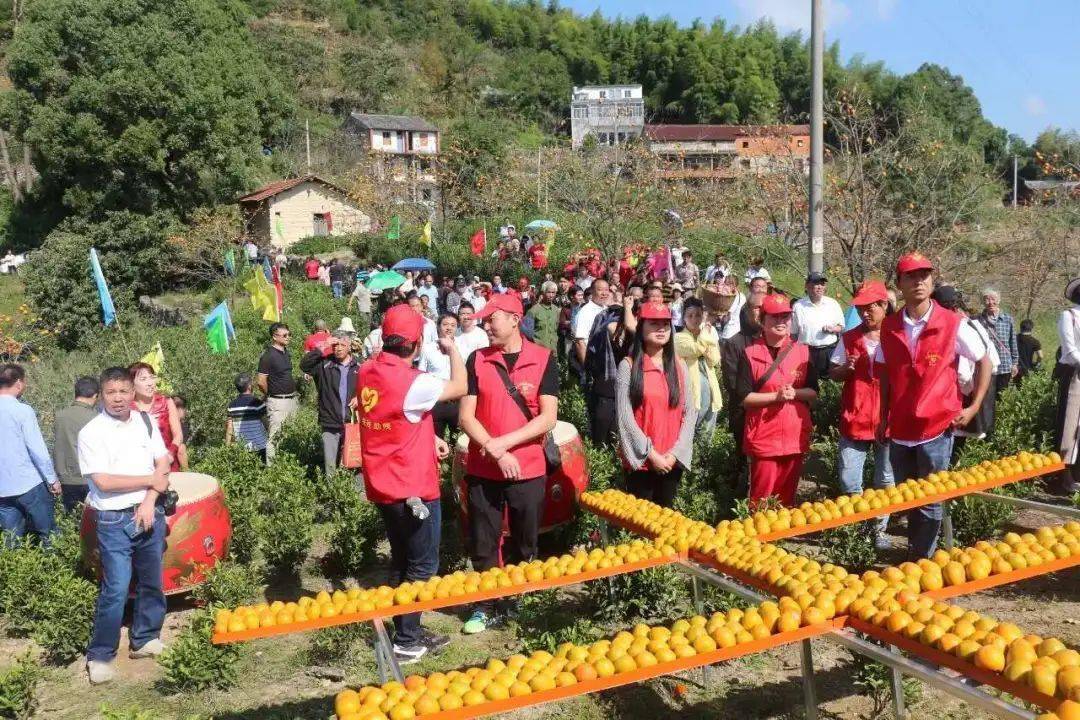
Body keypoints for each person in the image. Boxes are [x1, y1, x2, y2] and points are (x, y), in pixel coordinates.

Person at [357, 304, 466, 664]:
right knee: (422, 566)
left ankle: (407, 630)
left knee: (402, 559)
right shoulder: (413, 382)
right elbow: (461, 387)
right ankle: (406, 640)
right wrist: (454, 351)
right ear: (417, 343)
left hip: (383, 484)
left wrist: (429, 435)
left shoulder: (367, 371)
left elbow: (405, 416)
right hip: (413, 487)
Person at [874, 253, 991, 560]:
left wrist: (974, 406)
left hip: (937, 427)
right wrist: (882, 416)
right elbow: (885, 374)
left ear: (932, 280)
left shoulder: (953, 323)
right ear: (899, 284)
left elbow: (984, 361)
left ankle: (922, 561)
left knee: (929, 500)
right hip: (900, 426)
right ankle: (917, 554)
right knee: (908, 497)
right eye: (911, 276)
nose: (919, 281)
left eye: (924, 275)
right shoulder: (889, 326)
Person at [458, 293, 558, 634]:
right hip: (484, 467)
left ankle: (516, 597)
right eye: (484, 320)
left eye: (491, 319)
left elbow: (547, 419)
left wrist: (506, 443)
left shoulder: (544, 358)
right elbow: (466, 418)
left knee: (524, 538)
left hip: (528, 466)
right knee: (483, 538)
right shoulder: (477, 360)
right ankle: (485, 603)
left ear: (515, 319)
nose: (485, 325)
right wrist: (495, 449)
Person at [78, 366, 171, 684]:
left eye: (123, 391)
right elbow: (103, 481)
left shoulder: (146, 422)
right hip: (114, 521)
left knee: (151, 582)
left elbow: (163, 462)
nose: (118, 398)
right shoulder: (91, 433)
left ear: (133, 392)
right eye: (110, 392)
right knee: (116, 588)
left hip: (150, 513)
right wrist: (149, 481)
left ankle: (144, 638)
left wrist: (148, 502)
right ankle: (101, 655)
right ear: (101, 395)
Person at [828, 280, 894, 550]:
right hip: (855, 416)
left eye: (871, 308)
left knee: (886, 479)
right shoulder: (849, 337)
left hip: (887, 418)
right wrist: (846, 370)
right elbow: (833, 372)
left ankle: (879, 530)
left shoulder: (897, 336)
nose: (865, 313)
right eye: (862, 308)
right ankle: (860, 526)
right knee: (848, 477)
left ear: (884, 306)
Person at [737, 295, 817, 507]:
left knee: (786, 500)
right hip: (763, 436)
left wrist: (796, 394)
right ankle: (757, 539)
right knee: (761, 499)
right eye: (775, 317)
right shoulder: (750, 353)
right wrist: (776, 397)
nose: (781, 322)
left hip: (794, 436)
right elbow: (744, 398)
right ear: (763, 321)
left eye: (785, 317)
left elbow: (813, 392)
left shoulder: (803, 351)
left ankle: (779, 539)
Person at [616, 302, 697, 507]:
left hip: (671, 461)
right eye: (654, 324)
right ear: (640, 327)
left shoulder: (679, 366)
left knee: (666, 525)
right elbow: (625, 418)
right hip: (642, 463)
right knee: (641, 525)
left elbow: (689, 411)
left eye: (665, 324)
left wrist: (675, 454)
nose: (661, 329)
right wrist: (651, 455)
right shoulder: (628, 366)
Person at [0, 364, 59, 545]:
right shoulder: (23, 410)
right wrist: (52, 479)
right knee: (48, 534)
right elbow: (37, 450)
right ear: (18, 383)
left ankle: (14, 571)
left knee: (11, 539)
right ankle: (52, 569)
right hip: (29, 483)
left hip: (2, 488)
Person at [300, 332, 360, 475]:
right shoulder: (325, 364)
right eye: (335, 345)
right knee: (330, 464)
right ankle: (331, 492)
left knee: (353, 459)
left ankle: (351, 492)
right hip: (330, 421)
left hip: (351, 422)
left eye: (342, 345)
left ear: (350, 347)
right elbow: (304, 365)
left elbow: (371, 387)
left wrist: (359, 397)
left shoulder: (359, 366)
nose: (338, 348)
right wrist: (322, 347)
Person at [722, 294, 764, 489]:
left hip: (769, 413)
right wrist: (758, 399)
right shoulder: (734, 343)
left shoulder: (770, 341)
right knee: (745, 460)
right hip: (743, 412)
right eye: (757, 308)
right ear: (746, 311)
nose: (762, 312)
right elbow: (732, 383)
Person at [675, 297, 722, 440]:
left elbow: (714, 360)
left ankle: (705, 460)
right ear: (684, 318)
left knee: (707, 433)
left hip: (712, 388)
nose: (695, 319)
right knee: (690, 431)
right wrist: (706, 334)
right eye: (690, 315)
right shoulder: (679, 337)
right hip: (693, 393)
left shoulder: (706, 334)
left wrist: (707, 336)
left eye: (698, 315)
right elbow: (696, 349)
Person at [52, 376, 101, 512]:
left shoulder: (59, 415)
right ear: (95, 395)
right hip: (90, 479)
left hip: (66, 478)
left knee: (72, 519)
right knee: (91, 523)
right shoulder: (96, 418)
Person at [129, 362, 186, 472]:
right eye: (143, 379)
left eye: (151, 378)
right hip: (140, 468)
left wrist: (170, 453)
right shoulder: (128, 408)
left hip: (169, 463)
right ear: (131, 384)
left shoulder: (166, 402)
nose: (150, 383)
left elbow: (178, 434)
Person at [791, 271, 846, 378]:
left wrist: (833, 329)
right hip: (807, 352)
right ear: (807, 286)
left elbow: (841, 326)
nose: (820, 287)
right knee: (808, 380)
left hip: (830, 350)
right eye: (816, 283)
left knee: (830, 380)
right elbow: (793, 333)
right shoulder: (798, 306)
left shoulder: (833, 304)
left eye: (822, 284)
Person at [1054, 278, 1080, 496]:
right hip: (1075, 375)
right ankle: (1066, 475)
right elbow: (1069, 351)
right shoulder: (1068, 316)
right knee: (1070, 424)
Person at [257, 323, 298, 460]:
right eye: (285, 335)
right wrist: (271, 394)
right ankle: (272, 470)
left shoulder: (286, 352)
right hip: (277, 402)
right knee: (274, 438)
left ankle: (286, 464)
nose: (288, 337)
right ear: (275, 336)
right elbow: (261, 381)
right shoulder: (268, 356)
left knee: (290, 435)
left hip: (291, 400)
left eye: (289, 334)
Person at [419, 313, 462, 437]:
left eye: (453, 325)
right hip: (435, 402)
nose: (449, 328)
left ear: (457, 327)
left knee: (458, 440)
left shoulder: (462, 346)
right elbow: (422, 374)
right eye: (445, 324)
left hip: (457, 402)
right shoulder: (428, 349)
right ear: (438, 327)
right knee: (435, 439)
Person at [978, 288, 1019, 400]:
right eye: (987, 299)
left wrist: (1015, 363)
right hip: (987, 365)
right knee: (987, 397)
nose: (990, 302)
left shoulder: (1007, 319)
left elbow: (1013, 342)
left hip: (1005, 364)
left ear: (999, 300)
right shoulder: (979, 320)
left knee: (1003, 396)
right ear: (983, 302)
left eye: (993, 299)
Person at [225, 373, 268, 463]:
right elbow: (267, 425)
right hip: (260, 447)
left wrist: (227, 448)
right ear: (249, 386)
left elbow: (229, 429)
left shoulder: (232, 406)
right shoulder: (257, 403)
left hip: (242, 449)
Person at [525, 281, 560, 352]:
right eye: (548, 292)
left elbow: (556, 330)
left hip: (552, 352)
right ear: (543, 293)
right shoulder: (533, 311)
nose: (551, 295)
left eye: (553, 293)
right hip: (538, 352)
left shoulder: (556, 310)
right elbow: (526, 333)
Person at [1016, 319, 1042, 384]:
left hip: (1014, 368)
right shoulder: (1035, 341)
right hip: (1027, 368)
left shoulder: (1014, 338)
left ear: (1021, 327)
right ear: (1031, 328)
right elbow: (1040, 356)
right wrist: (1037, 363)